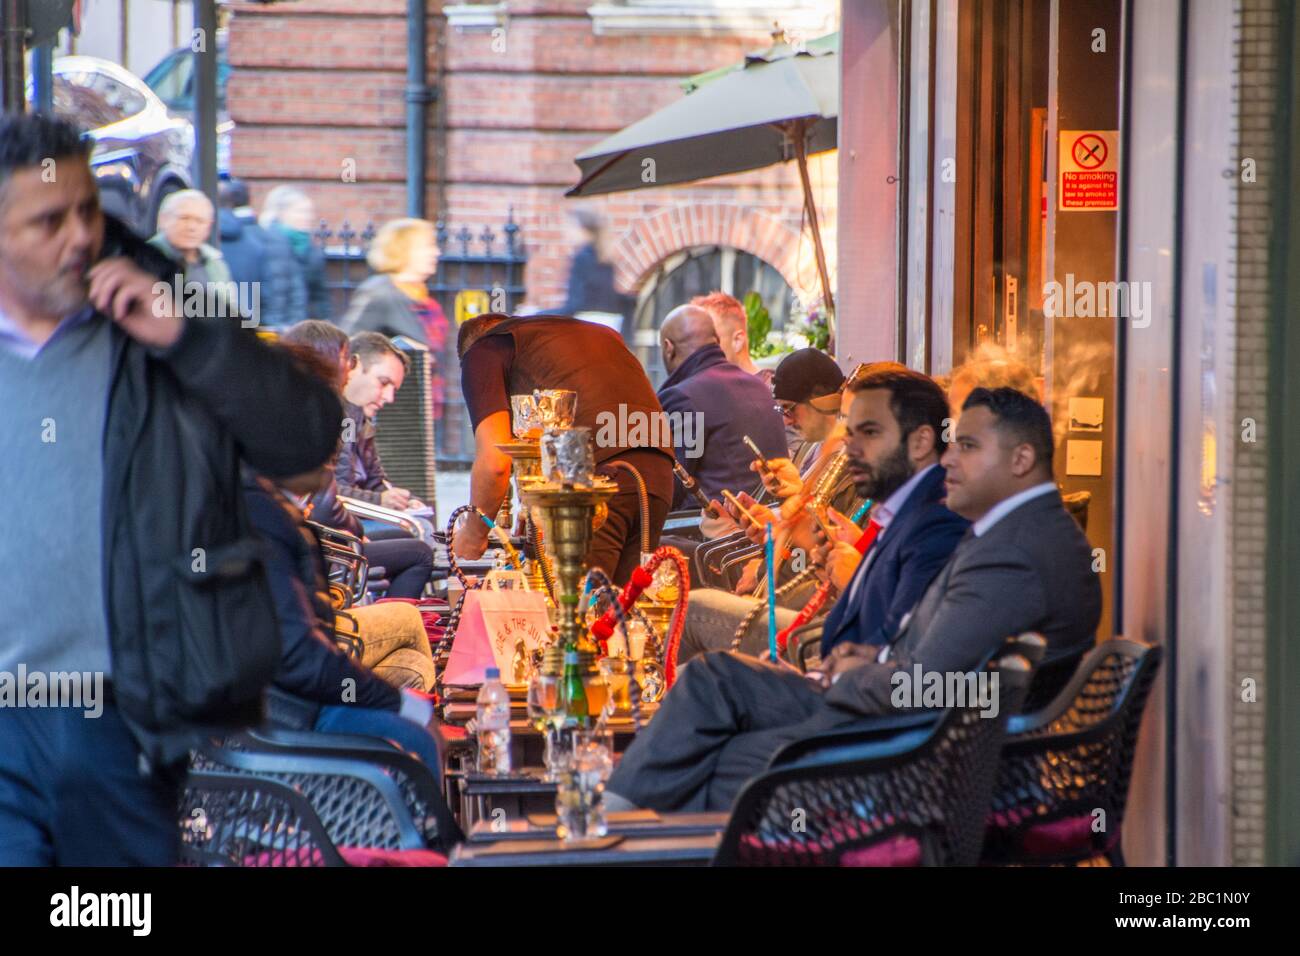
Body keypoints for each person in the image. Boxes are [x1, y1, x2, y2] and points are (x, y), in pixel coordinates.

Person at [0, 114, 341, 865]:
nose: (81, 236)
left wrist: (187, 334)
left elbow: (305, 437)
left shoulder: (160, 308)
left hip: (117, 719)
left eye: (88, 209)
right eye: (49, 220)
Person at [606, 387, 1102, 813]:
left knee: (718, 755)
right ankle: (611, 821)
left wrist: (846, 675)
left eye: (968, 447)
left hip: (914, 761)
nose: (949, 460)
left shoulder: (1013, 552)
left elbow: (925, 688)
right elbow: (934, 668)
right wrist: (873, 659)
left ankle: (603, 829)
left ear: (1021, 460)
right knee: (714, 684)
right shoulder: (1019, 533)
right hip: (917, 732)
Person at [676, 366, 968, 664]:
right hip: (832, 654)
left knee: (696, 614)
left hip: (842, 671)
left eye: (868, 431)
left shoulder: (938, 517)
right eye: (846, 424)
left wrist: (854, 576)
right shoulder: (900, 503)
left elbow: (903, 648)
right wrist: (808, 537)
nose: (849, 444)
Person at [453, 312, 675, 585]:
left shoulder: (483, 350)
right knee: (622, 616)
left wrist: (473, 535)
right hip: (659, 472)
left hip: (593, 487)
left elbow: (496, 462)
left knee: (575, 612)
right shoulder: (576, 335)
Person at [656, 304, 787, 510]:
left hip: (709, 531)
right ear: (716, 341)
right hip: (767, 524)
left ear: (668, 347)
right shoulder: (759, 386)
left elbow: (669, 491)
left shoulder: (682, 398)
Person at [339, 218, 450, 420]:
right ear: (403, 250)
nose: (436, 252)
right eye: (427, 246)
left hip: (421, 404)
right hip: (388, 411)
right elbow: (348, 344)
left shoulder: (422, 297)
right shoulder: (380, 293)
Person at [260, 184, 330, 321]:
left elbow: (319, 297)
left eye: (310, 212)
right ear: (281, 213)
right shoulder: (265, 242)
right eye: (300, 211)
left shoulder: (312, 251)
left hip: (299, 327)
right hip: (270, 327)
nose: (308, 217)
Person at [560, 208, 634, 336]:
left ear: (584, 229)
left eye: (571, 227)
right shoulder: (604, 258)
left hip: (587, 328)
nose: (567, 233)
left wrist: (535, 315)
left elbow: (575, 304)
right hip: (609, 326)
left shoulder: (582, 259)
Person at [147, 188, 233, 287]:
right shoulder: (141, 260)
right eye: (184, 218)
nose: (191, 227)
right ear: (163, 219)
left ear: (209, 227)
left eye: (199, 221)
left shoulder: (216, 265)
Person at [691, 291, 772, 386]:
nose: (699, 351)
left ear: (738, 341)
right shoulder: (705, 386)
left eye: (711, 341)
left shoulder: (772, 389)